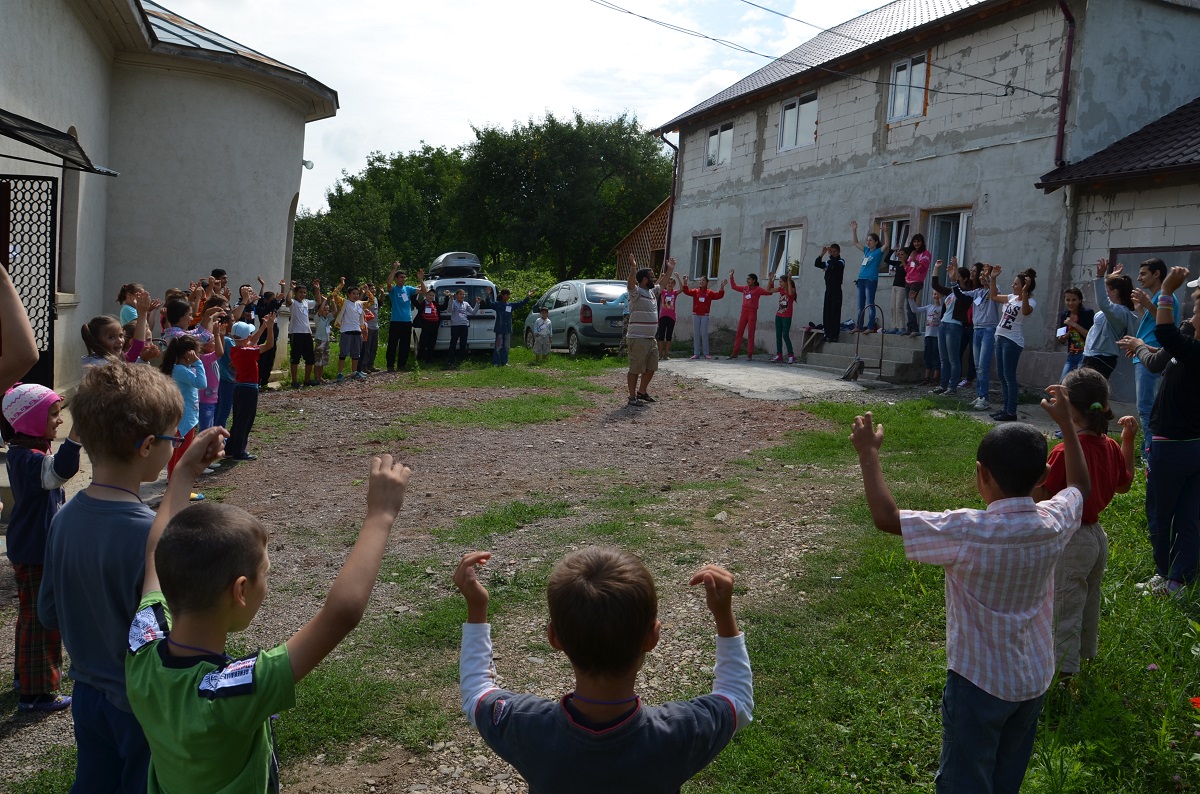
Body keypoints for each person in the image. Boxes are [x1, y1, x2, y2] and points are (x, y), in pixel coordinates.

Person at [126, 430, 412, 793]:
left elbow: (155, 552)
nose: (268, 583)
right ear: (240, 591)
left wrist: (183, 474)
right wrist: (380, 517)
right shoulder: (230, 694)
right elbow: (341, 614)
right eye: (266, 574)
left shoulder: (143, 645)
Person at [851, 389, 1089, 794]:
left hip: (978, 683)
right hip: (1033, 679)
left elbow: (887, 518)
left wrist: (868, 454)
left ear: (981, 474)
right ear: (1045, 477)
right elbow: (1079, 487)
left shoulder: (967, 531)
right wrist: (1068, 424)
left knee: (965, 781)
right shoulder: (1054, 522)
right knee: (1006, 777)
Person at [452, 547, 753, 794]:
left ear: (554, 638)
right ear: (653, 637)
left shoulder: (525, 726)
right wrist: (723, 615)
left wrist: (477, 609)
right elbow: (736, 699)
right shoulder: (680, 731)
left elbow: (477, 693)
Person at [40, 363, 186, 791]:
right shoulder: (151, 536)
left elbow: (49, 613)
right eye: (172, 438)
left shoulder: (63, 519)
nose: (174, 447)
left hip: (87, 695)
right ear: (146, 446)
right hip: (141, 704)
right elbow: (167, 636)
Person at [1031, 368, 1136, 676]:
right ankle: (1085, 655)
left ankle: (1063, 675)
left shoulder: (1063, 452)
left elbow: (1042, 499)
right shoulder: (1111, 446)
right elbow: (1124, 484)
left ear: (1069, 409)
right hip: (1096, 538)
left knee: (1064, 606)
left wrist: (1037, 467)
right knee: (1088, 601)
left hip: (1071, 540)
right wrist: (1128, 439)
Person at [1119, 266, 1200, 596]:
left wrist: (1166, 289)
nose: (1193, 313)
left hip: (1173, 446)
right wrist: (1140, 345)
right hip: (1191, 448)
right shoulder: (1188, 344)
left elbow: (1165, 337)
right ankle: (1179, 579)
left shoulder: (1192, 348)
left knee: (1161, 513)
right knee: (1189, 515)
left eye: (1197, 308)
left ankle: (1166, 575)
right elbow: (1157, 359)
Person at [3, 384, 80, 712]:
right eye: (52, 414)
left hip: (29, 545)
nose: (59, 420)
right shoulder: (30, 458)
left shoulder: (25, 451)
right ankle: (37, 694)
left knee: (31, 614)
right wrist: (77, 438)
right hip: (36, 548)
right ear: (30, 418)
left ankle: (26, 676)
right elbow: (60, 472)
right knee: (44, 619)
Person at [1129, 257, 1179, 458]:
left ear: (1156, 274)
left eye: (1143, 274)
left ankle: (1150, 454)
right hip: (1145, 354)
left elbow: (1166, 323)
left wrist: (1148, 303)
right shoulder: (1157, 297)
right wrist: (1140, 307)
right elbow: (1152, 324)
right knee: (1148, 407)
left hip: (1152, 356)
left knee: (1146, 408)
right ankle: (1148, 450)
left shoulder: (1165, 297)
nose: (1139, 278)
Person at [989, 265, 1037, 422]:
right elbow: (994, 296)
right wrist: (993, 278)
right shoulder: (1010, 297)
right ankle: (1005, 409)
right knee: (1002, 376)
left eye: (1016, 284)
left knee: (1009, 377)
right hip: (1000, 338)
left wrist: (1024, 293)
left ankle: (1011, 411)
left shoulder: (1031, 301)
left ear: (1024, 286)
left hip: (1012, 341)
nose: (1012, 285)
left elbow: (1025, 311)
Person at [159, 335, 207, 489]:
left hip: (184, 417)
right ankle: (178, 484)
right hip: (185, 420)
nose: (198, 354)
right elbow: (202, 383)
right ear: (189, 354)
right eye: (196, 352)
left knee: (176, 452)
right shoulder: (180, 370)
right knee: (182, 454)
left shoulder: (180, 368)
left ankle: (172, 479)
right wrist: (198, 363)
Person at [953, 264, 1000, 412]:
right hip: (977, 329)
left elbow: (993, 292)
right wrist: (953, 280)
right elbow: (960, 294)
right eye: (980, 276)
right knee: (978, 366)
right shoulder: (977, 292)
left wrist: (989, 277)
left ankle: (984, 398)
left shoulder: (995, 291)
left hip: (988, 329)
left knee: (983, 366)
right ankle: (980, 395)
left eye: (983, 275)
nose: (981, 278)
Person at [227, 317, 275, 462]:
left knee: (238, 419)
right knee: (246, 420)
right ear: (246, 336)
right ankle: (239, 452)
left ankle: (230, 448)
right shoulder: (247, 351)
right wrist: (270, 328)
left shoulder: (235, 349)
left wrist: (263, 327)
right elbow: (269, 345)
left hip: (239, 388)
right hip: (249, 389)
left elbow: (250, 342)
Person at [1081, 258, 1136, 380]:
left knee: (1089, 393)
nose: (1104, 293)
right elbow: (1105, 301)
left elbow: (1102, 301)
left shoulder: (1119, 311)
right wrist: (1111, 277)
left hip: (1100, 358)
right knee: (1086, 393)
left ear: (1115, 292)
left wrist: (1100, 276)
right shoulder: (1113, 310)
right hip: (1094, 356)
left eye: (1107, 290)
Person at [929, 259, 968, 397]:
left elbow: (960, 293)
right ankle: (943, 385)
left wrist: (956, 268)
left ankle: (952, 388)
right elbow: (935, 284)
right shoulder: (951, 291)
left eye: (957, 275)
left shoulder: (966, 292)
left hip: (954, 326)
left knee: (953, 359)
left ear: (964, 278)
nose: (954, 277)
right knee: (943, 359)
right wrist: (936, 268)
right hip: (943, 325)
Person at [626, 256, 661, 405]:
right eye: (652, 277)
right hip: (637, 337)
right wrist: (633, 268)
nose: (655, 279)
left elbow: (662, 285)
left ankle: (642, 392)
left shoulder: (652, 293)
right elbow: (630, 285)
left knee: (652, 366)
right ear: (645, 280)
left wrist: (670, 269)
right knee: (635, 368)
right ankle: (632, 397)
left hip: (650, 338)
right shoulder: (637, 292)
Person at [850, 219, 888, 333]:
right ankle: (859, 326)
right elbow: (856, 243)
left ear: (876, 242)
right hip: (861, 279)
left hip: (871, 279)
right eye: (867, 240)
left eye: (870, 240)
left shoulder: (878, 252)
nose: (868, 242)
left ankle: (871, 327)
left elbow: (886, 245)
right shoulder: (866, 251)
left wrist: (885, 232)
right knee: (860, 305)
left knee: (870, 303)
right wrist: (854, 230)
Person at [482, 286, 534, 366]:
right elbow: (489, 304)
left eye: (509, 295)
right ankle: (496, 362)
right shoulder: (497, 304)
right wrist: (488, 295)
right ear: (502, 295)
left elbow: (520, 303)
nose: (508, 296)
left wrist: (528, 297)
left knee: (506, 347)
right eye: (506, 295)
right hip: (499, 329)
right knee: (498, 346)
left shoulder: (510, 305)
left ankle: (505, 362)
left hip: (507, 329)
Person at [386, 265, 424, 372]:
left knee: (405, 344)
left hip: (407, 321)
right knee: (393, 344)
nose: (403, 279)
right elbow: (388, 283)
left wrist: (420, 279)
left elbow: (424, 291)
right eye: (401, 277)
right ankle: (390, 365)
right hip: (396, 321)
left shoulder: (408, 289)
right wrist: (394, 269)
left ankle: (402, 365)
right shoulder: (393, 289)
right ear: (396, 278)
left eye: (404, 277)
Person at [728, 270, 773, 360]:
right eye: (747, 279)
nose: (747, 280)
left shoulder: (758, 289)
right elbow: (734, 286)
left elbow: (769, 292)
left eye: (749, 279)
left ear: (754, 280)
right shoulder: (745, 288)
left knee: (750, 334)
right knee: (739, 332)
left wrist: (771, 280)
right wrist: (731, 277)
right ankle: (735, 352)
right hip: (744, 312)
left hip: (752, 312)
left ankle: (749, 354)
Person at [678, 273, 726, 358]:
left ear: (707, 283)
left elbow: (719, 296)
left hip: (705, 315)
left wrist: (722, 287)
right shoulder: (695, 291)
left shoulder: (710, 292)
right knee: (696, 334)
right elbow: (686, 291)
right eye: (700, 280)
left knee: (704, 334)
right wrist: (685, 282)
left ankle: (706, 353)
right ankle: (696, 353)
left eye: (703, 280)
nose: (701, 282)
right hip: (696, 314)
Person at [285, 280, 321, 387]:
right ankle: (294, 381)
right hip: (296, 333)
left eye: (304, 292)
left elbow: (318, 302)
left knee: (310, 358)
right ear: (296, 293)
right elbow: (287, 300)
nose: (303, 294)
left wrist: (317, 289)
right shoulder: (293, 303)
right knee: (295, 358)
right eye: (301, 292)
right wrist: (291, 288)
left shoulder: (306, 303)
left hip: (307, 333)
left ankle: (307, 380)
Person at [1056, 287, 1094, 381]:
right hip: (1071, 354)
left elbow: (1090, 336)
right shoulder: (1065, 315)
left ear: (1080, 300)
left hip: (1084, 354)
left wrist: (1074, 324)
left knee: (1078, 382)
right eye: (1067, 300)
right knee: (1063, 382)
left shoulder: (1087, 313)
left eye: (1074, 300)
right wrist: (1063, 337)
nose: (1070, 303)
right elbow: (1061, 339)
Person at [908, 288, 942, 386]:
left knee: (936, 356)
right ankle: (926, 378)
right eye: (934, 294)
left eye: (938, 294)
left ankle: (935, 378)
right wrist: (911, 300)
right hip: (928, 335)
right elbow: (915, 310)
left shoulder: (942, 308)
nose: (936, 296)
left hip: (937, 336)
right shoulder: (929, 307)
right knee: (928, 356)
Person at [814, 244, 846, 343]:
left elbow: (835, 266)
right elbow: (817, 264)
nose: (832, 254)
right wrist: (822, 254)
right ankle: (827, 334)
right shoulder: (828, 262)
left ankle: (834, 335)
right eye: (831, 252)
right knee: (827, 312)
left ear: (838, 252)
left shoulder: (841, 261)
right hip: (828, 290)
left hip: (836, 290)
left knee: (834, 313)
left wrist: (831, 258)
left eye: (834, 252)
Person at [335, 285, 367, 382]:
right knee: (343, 353)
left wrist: (367, 291)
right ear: (348, 294)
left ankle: (354, 372)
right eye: (353, 293)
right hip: (346, 330)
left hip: (357, 330)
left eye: (357, 294)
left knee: (356, 353)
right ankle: (339, 373)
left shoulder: (359, 304)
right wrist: (341, 284)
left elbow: (371, 302)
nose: (356, 296)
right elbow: (334, 295)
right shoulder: (345, 302)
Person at [444, 288, 481, 369]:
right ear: (457, 295)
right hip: (455, 326)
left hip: (464, 326)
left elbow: (473, 312)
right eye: (460, 294)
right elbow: (449, 310)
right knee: (453, 344)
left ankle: (461, 360)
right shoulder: (453, 302)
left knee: (463, 344)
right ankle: (451, 361)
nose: (462, 296)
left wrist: (477, 304)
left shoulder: (466, 304)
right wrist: (450, 299)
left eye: (463, 294)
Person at [904, 235, 932, 335]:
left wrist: (914, 259)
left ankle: (915, 329)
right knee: (908, 305)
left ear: (922, 242)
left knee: (910, 304)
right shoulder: (912, 253)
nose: (916, 244)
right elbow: (907, 269)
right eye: (914, 242)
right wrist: (903, 260)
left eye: (918, 241)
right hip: (908, 281)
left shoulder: (926, 254)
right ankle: (910, 328)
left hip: (917, 282)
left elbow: (922, 269)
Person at [655, 258, 680, 360]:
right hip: (662, 316)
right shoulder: (663, 292)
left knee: (668, 337)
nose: (670, 285)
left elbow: (682, 289)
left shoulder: (674, 293)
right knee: (661, 336)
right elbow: (656, 287)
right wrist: (662, 278)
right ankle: (660, 354)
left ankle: (666, 354)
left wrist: (678, 278)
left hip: (671, 317)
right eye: (668, 283)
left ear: (674, 285)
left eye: (672, 284)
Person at [771, 273, 797, 364]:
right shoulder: (780, 289)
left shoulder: (792, 289)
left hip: (787, 317)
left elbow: (790, 293)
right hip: (778, 315)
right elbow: (768, 290)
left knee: (785, 335)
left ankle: (791, 355)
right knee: (778, 335)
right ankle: (779, 355)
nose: (780, 284)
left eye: (781, 282)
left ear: (786, 282)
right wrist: (771, 280)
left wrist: (789, 281)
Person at [885, 245, 911, 334]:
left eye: (902, 254)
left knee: (899, 307)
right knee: (893, 307)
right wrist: (892, 250)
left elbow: (908, 272)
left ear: (907, 255)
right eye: (899, 254)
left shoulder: (907, 264)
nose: (900, 256)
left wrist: (903, 261)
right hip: (894, 286)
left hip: (902, 287)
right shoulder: (897, 263)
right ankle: (894, 326)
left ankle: (901, 327)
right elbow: (886, 260)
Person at [358, 283, 381, 375]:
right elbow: (358, 303)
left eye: (374, 288)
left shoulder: (375, 299)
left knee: (374, 347)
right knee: (366, 348)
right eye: (371, 288)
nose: (373, 290)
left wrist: (382, 293)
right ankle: (364, 365)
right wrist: (363, 292)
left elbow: (380, 305)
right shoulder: (366, 300)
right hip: (368, 326)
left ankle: (371, 364)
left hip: (375, 326)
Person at [415, 287, 441, 364]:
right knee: (423, 343)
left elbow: (444, 307)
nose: (431, 297)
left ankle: (429, 360)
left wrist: (447, 297)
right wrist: (418, 292)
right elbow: (414, 301)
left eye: (433, 295)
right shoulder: (422, 304)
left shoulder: (435, 304)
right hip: (426, 325)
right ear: (426, 295)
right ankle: (419, 359)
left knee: (432, 343)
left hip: (435, 325)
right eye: (430, 295)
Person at [312, 294, 333, 385]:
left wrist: (332, 302)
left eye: (327, 310)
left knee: (323, 361)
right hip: (320, 340)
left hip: (326, 341)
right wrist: (324, 300)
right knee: (317, 361)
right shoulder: (318, 318)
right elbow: (320, 310)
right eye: (325, 310)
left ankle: (320, 377)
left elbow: (335, 311)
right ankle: (316, 378)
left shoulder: (327, 319)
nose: (326, 311)